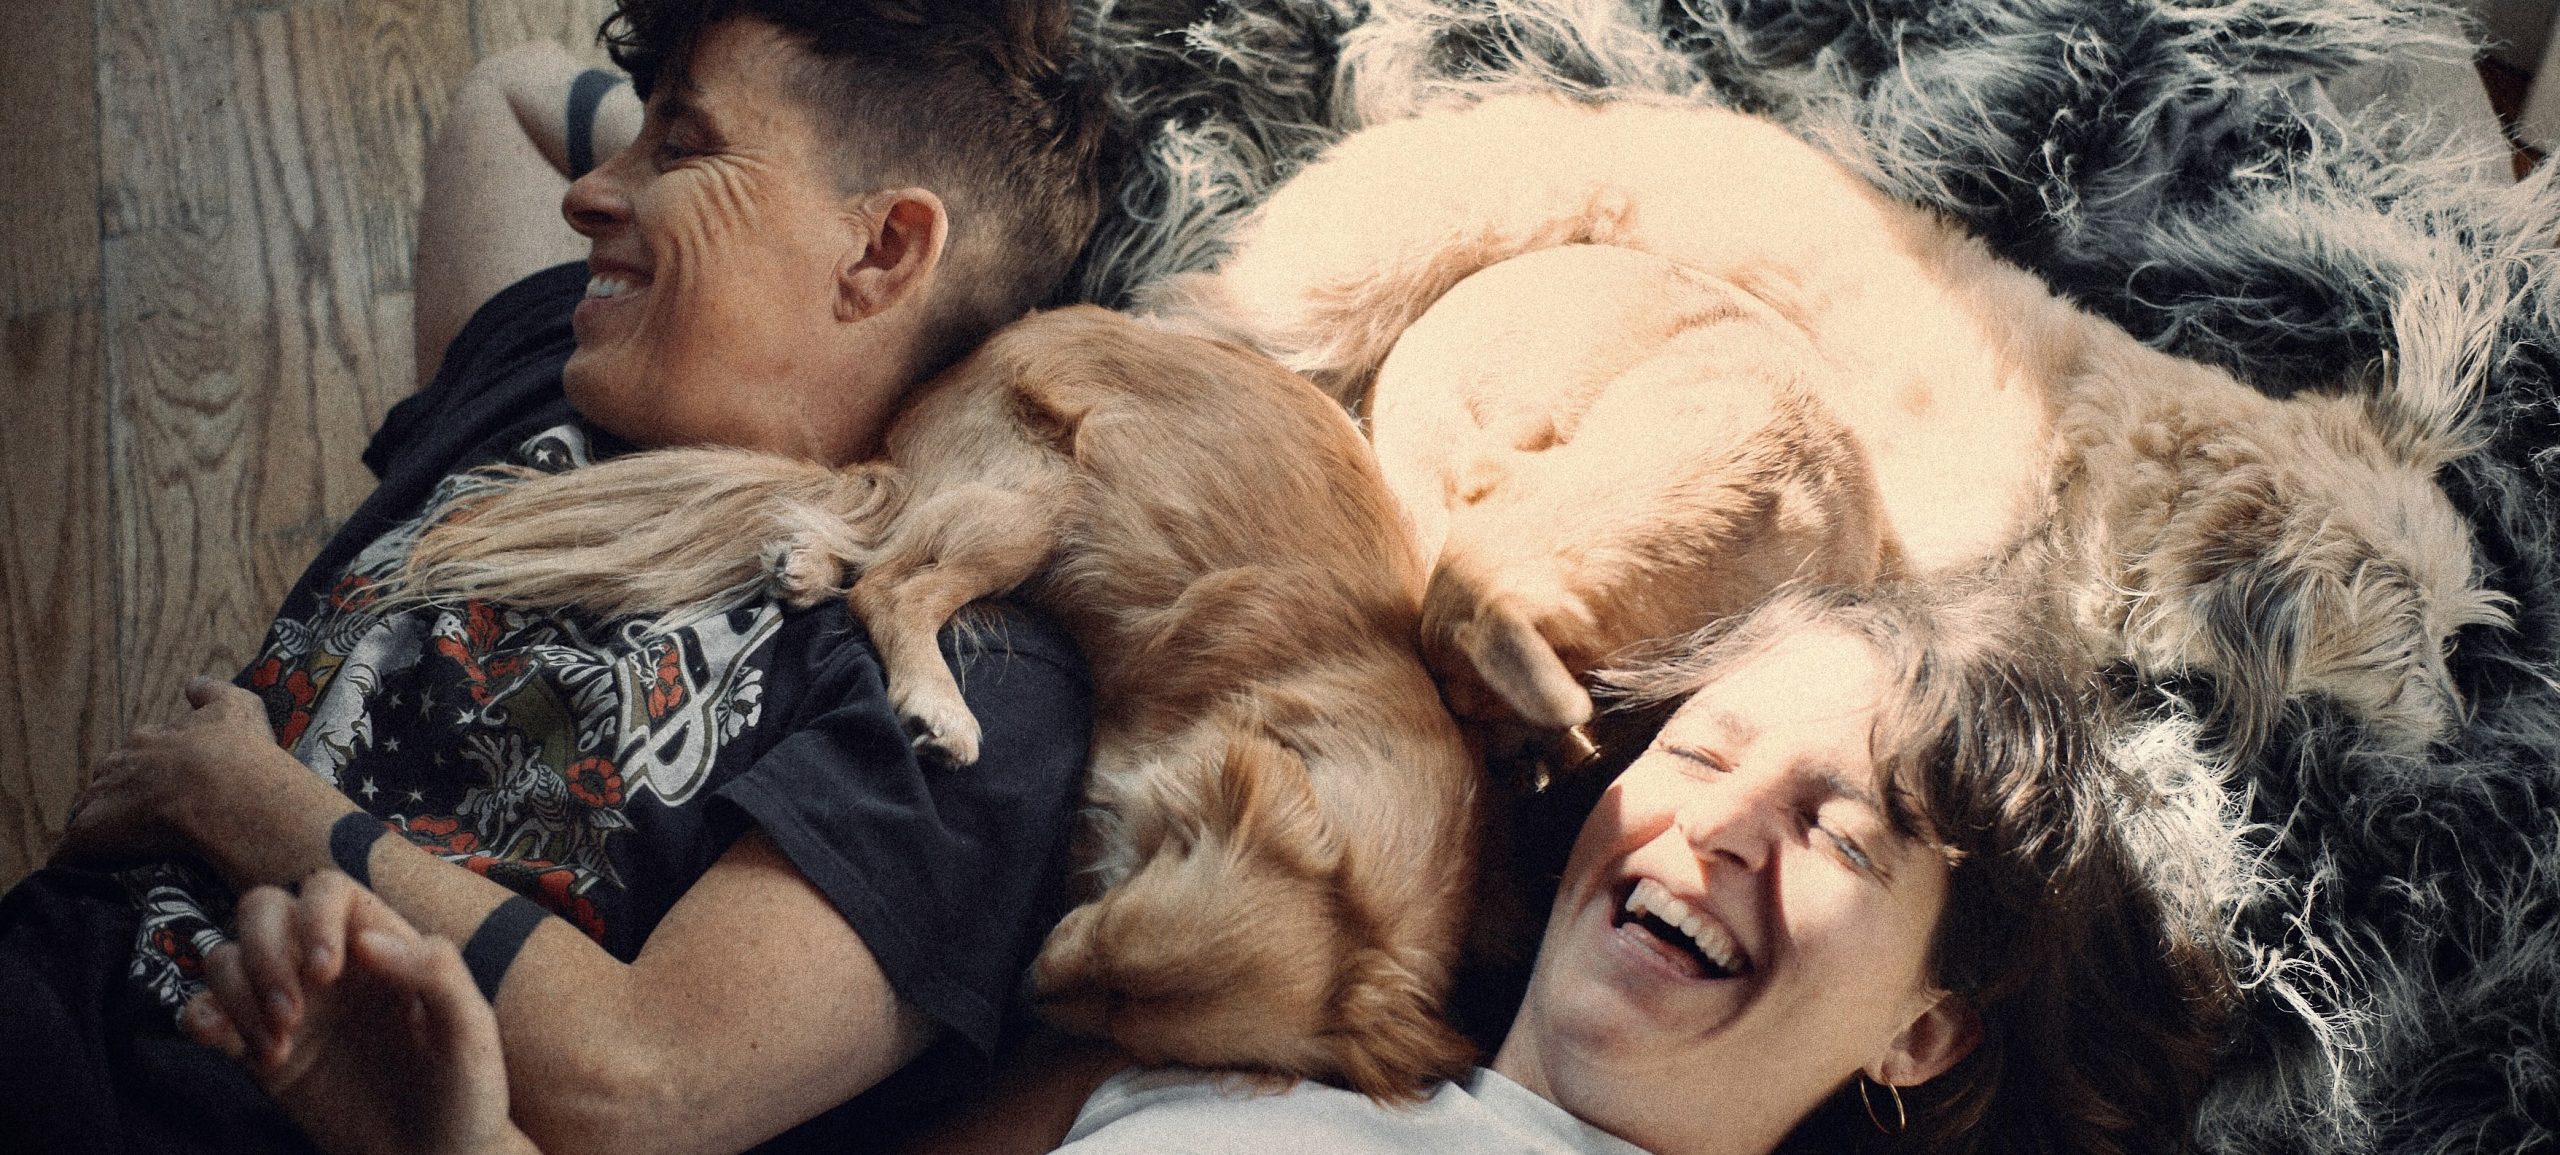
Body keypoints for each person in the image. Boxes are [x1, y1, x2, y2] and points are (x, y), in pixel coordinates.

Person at [0, 2, 1109, 1152]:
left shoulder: (965, 685)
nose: (589, 197)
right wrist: (692, 137)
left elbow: (643, 1080)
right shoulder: (551, 361)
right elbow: (509, 94)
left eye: (682, 147)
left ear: (881, 251)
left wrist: (241, 799)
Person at [185, 584, 2234, 1155]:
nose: (1712, 823)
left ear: (1929, 1023)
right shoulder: (1231, 1047)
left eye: (1837, 827)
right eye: (1702, 750)